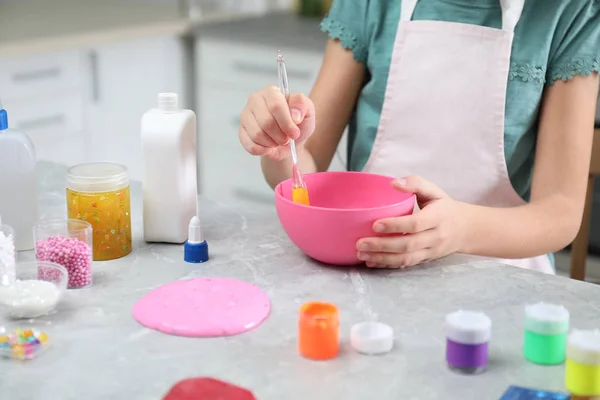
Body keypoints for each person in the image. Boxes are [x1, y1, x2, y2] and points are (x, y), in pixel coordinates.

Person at [238, 0, 600, 273]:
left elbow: (560, 213)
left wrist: (459, 230)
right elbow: (305, 174)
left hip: (502, 279)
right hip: (371, 272)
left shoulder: (570, 11)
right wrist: (284, 144)